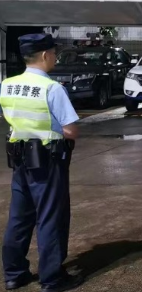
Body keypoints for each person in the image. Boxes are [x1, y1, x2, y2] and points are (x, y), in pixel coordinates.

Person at [0, 34, 83, 291]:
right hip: (47, 161)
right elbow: (70, 130)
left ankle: (14, 274)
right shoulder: (52, 88)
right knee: (50, 217)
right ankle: (52, 278)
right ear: (45, 55)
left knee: (19, 217)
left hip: (20, 159)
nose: (55, 57)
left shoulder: (8, 84)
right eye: (54, 53)